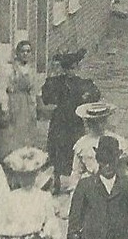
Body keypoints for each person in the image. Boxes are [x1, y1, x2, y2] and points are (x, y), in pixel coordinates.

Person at [40, 50, 100, 182]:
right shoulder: (56, 82)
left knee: (74, 148)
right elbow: (46, 98)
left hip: (75, 121)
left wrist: (86, 97)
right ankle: (57, 178)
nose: (70, 72)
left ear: (77, 68)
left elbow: (95, 95)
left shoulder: (82, 83)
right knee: (58, 148)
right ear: (64, 69)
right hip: (60, 120)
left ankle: (74, 178)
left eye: (73, 68)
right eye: (67, 69)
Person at [0, 40, 43, 154]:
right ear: (17, 53)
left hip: (28, 106)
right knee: (14, 133)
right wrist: (5, 109)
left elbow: (35, 90)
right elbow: (2, 89)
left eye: (28, 51)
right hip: (14, 104)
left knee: (28, 133)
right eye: (23, 51)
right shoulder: (10, 69)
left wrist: (35, 106)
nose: (25, 54)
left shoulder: (31, 70)